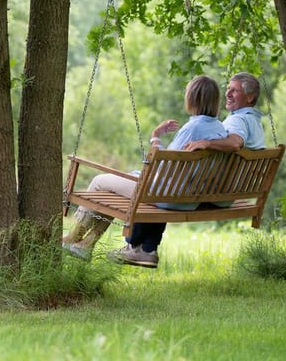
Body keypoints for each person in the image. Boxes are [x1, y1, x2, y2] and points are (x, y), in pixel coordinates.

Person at [62, 75, 229, 261]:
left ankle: (74, 237)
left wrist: (155, 138)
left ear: (193, 98)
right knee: (114, 189)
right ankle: (86, 244)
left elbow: (164, 165)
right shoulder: (220, 128)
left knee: (100, 182)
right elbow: (175, 162)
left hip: (164, 194)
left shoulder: (193, 128)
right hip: (188, 198)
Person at [108, 71, 266, 268]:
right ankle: (147, 249)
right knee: (165, 187)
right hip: (219, 193)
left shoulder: (235, 122)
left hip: (205, 195)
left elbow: (234, 143)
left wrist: (157, 138)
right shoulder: (244, 124)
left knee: (122, 185)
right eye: (227, 90)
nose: (228, 94)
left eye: (234, 90)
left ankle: (89, 242)